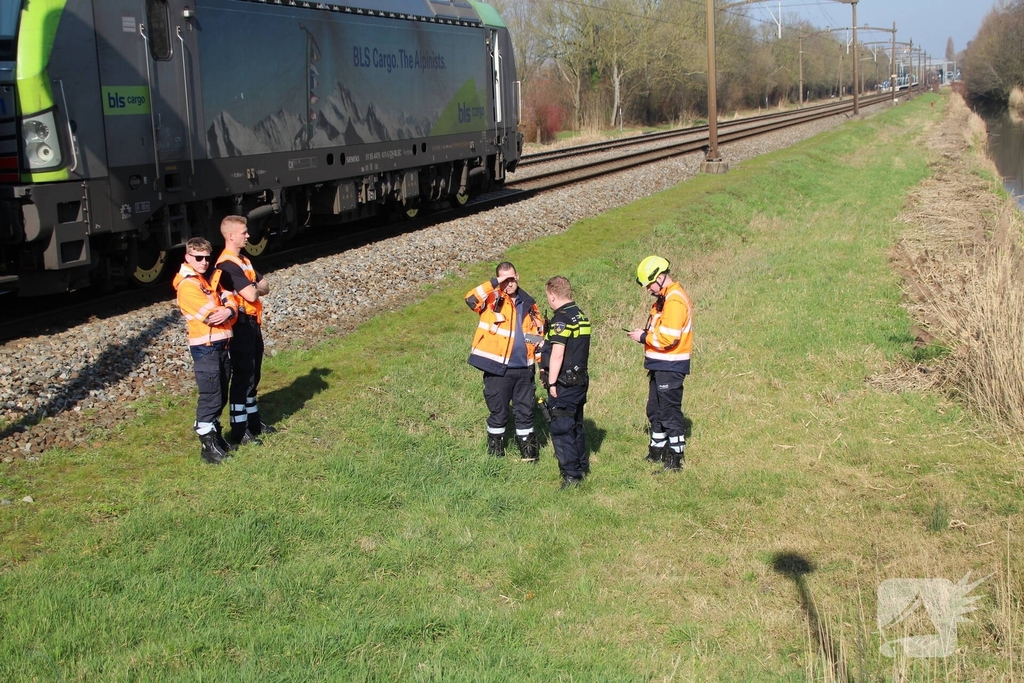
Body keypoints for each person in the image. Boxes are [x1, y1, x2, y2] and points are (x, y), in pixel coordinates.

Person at [465, 261, 545, 460]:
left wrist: (542, 364)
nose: (509, 284)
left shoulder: (529, 304)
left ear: (518, 276)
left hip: (524, 370)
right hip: (498, 369)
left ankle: (529, 457)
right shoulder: (491, 299)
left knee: (525, 413)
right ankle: (495, 457)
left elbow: (534, 336)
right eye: (504, 280)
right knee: (499, 413)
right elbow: (470, 299)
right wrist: (495, 283)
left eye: (511, 279)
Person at [173, 237, 237, 464]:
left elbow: (230, 298)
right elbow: (212, 316)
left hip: (221, 345)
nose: (203, 262)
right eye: (198, 258)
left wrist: (229, 309)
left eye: (207, 258)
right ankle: (207, 446)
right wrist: (228, 309)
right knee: (211, 395)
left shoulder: (207, 279)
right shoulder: (188, 285)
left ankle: (215, 436)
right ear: (187, 257)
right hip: (206, 347)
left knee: (220, 394)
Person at [626, 256, 693, 471]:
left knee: (669, 412)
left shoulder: (674, 301)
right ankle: (656, 451)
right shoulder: (664, 299)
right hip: (660, 364)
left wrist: (643, 338)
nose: (648, 289)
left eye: (650, 284)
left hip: (670, 365)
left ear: (661, 277)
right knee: (655, 410)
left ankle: (674, 460)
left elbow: (669, 338)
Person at [215, 215, 274, 445]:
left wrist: (254, 288)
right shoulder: (227, 265)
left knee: (253, 374)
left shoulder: (243, 261)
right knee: (242, 377)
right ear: (230, 236)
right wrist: (253, 288)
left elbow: (265, 285)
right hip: (240, 327)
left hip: (252, 323)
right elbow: (251, 293)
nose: (248, 235)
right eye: (244, 232)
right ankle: (239, 430)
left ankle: (253, 421)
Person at [541, 276, 592, 489]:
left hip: (565, 382)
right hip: (580, 380)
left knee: (562, 427)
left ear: (553, 295)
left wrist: (551, 383)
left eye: (548, 297)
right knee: (576, 425)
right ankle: (581, 466)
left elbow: (558, 354)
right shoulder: (580, 316)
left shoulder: (561, 320)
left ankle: (571, 476)